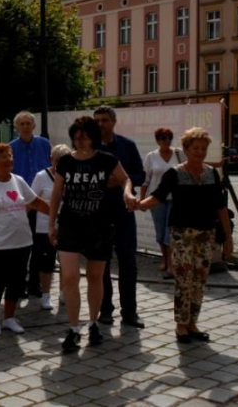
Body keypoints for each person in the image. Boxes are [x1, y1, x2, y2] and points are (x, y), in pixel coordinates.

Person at [49, 116, 136, 353]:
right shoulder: (65, 162)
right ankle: (74, 328)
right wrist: (51, 223)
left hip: (100, 225)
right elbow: (57, 193)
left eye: (85, 136)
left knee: (96, 277)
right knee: (69, 277)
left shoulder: (106, 159)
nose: (80, 141)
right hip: (70, 224)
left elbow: (125, 178)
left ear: (93, 137)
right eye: (76, 137)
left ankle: (94, 323)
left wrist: (127, 193)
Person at [138, 127, 233, 344]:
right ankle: (181, 324)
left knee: (199, 280)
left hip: (206, 234)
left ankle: (193, 322)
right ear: (186, 149)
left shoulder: (211, 174)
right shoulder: (175, 173)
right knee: (184, 279)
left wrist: (228, 238)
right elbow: (158, 197)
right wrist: (139, 205)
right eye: (195, 148)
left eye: (203, 148)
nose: (199, 152)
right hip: (182, 234)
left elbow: (220, 208)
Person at [0, 143, 50, 335]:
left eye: (10, 156)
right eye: (3, 157)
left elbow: (36, 202)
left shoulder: (18, 180)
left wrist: (57, 214)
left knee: (16, 282)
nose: (9, 160)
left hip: (23, 242)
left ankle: (9, 317)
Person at [93, 105, 146, 328]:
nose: (101, 125)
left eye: (105, 120)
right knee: (101, 265)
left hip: (124, 213)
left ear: (113, 122)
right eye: (97, 121)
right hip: (98, 213)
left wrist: (123, 180)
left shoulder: (127, 145)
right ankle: (105, 309)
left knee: (128, 264)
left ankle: (130, 312)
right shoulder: (90, 148)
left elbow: (140, 174)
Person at [10, 110, 52, 297]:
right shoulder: (10, 147)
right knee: (21, 245)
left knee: (39, 247)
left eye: (28, 123)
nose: (25, 127)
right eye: (22, 124)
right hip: (21, 202)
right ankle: (19, 283)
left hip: (41, 202)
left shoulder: (44, 144)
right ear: (16, 127)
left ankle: (34, 284)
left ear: (34, 126)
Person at [30, 144, 71, 310]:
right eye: (57, 161)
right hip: (44, 226)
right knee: (47, 262)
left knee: (66, 262)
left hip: (67, 226)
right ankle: (46, 295)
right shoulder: (41, 176)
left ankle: (63, 292)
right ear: (51, 160)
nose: (60, 164)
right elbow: (32, 200)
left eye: (64, 161)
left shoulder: (72, 175)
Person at [140, 127, 185, 276]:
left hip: (176, 199)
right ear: (157, 140)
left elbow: (187, 171)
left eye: (169, 138)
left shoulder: (179, 154)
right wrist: (142, 200)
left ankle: (171, 263)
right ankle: (164, 259)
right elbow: (145, 180)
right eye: (162, 138)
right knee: (160, 233)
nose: (166, 141)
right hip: (156, 199)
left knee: (169, 232)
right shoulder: (151, 156)